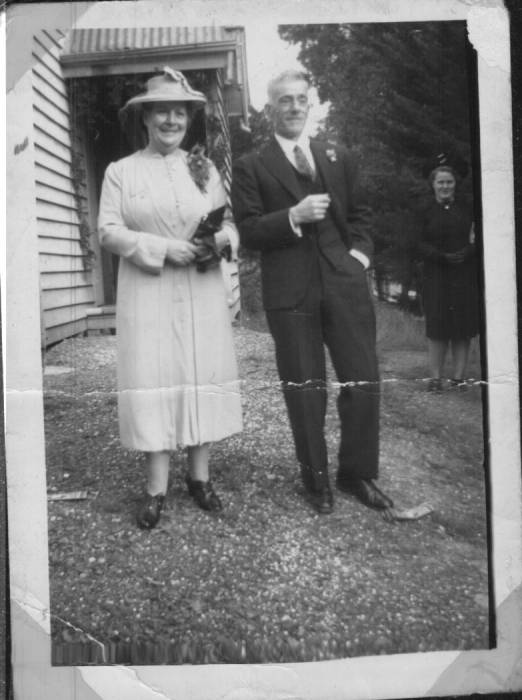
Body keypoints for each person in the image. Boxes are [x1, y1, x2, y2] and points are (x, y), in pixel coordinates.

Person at [231, 70, 393, 515]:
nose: (295, 107)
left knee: (363, 381)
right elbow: (246, 229)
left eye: (301, 99)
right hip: (291, 292)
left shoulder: (335, 155)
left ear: (310, 104)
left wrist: (358, 259)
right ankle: (316, 481)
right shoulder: (252, 165)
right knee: (306, 389)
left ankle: (356, 474)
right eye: (285, 100)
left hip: (344, 282)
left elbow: (362, 214)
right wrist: (293, 216)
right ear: (270, 109)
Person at [98, 68, 242, 529]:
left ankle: (200, 478)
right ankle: (156, 488)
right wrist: (162, 248)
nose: (171, 120)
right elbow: (108, 231)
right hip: (149, 289)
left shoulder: (203, 169)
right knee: (154, 374)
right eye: (162, 111)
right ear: (145, 117)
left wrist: (216, 242)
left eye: (179, 112)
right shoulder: (121, 172)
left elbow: (229, 226)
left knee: (200, 372)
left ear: (187, 119)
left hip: (200, 289)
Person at [418, 159, 479, 392]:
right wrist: (440, 256)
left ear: (455, 184)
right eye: (441, 182)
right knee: (437, 328)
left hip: (464, 274)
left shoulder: (468, 208)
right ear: (433, 185)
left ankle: (459, 378)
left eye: (449, 182)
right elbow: (416, 242)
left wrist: (469, 251)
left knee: (462, 329)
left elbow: (480, 236)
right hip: (436, 275)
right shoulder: (424, 211)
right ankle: (435, 378)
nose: (445, 186)